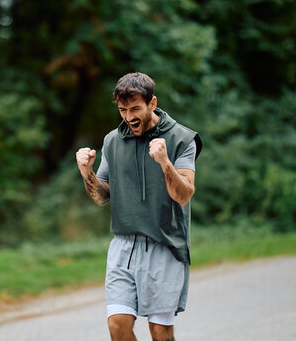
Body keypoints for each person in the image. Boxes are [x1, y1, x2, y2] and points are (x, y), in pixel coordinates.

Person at [75, 72, 202, 341]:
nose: (129, 117)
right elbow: (102, 196)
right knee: (117, 326)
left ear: (152, 103)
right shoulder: (113, 141)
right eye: (123, 110)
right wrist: (87, 172)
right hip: (123, 247)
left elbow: (184, 195)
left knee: (160, 331)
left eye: (135, 109)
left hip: (164, 245)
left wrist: (165, 162)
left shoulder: (181, 139)